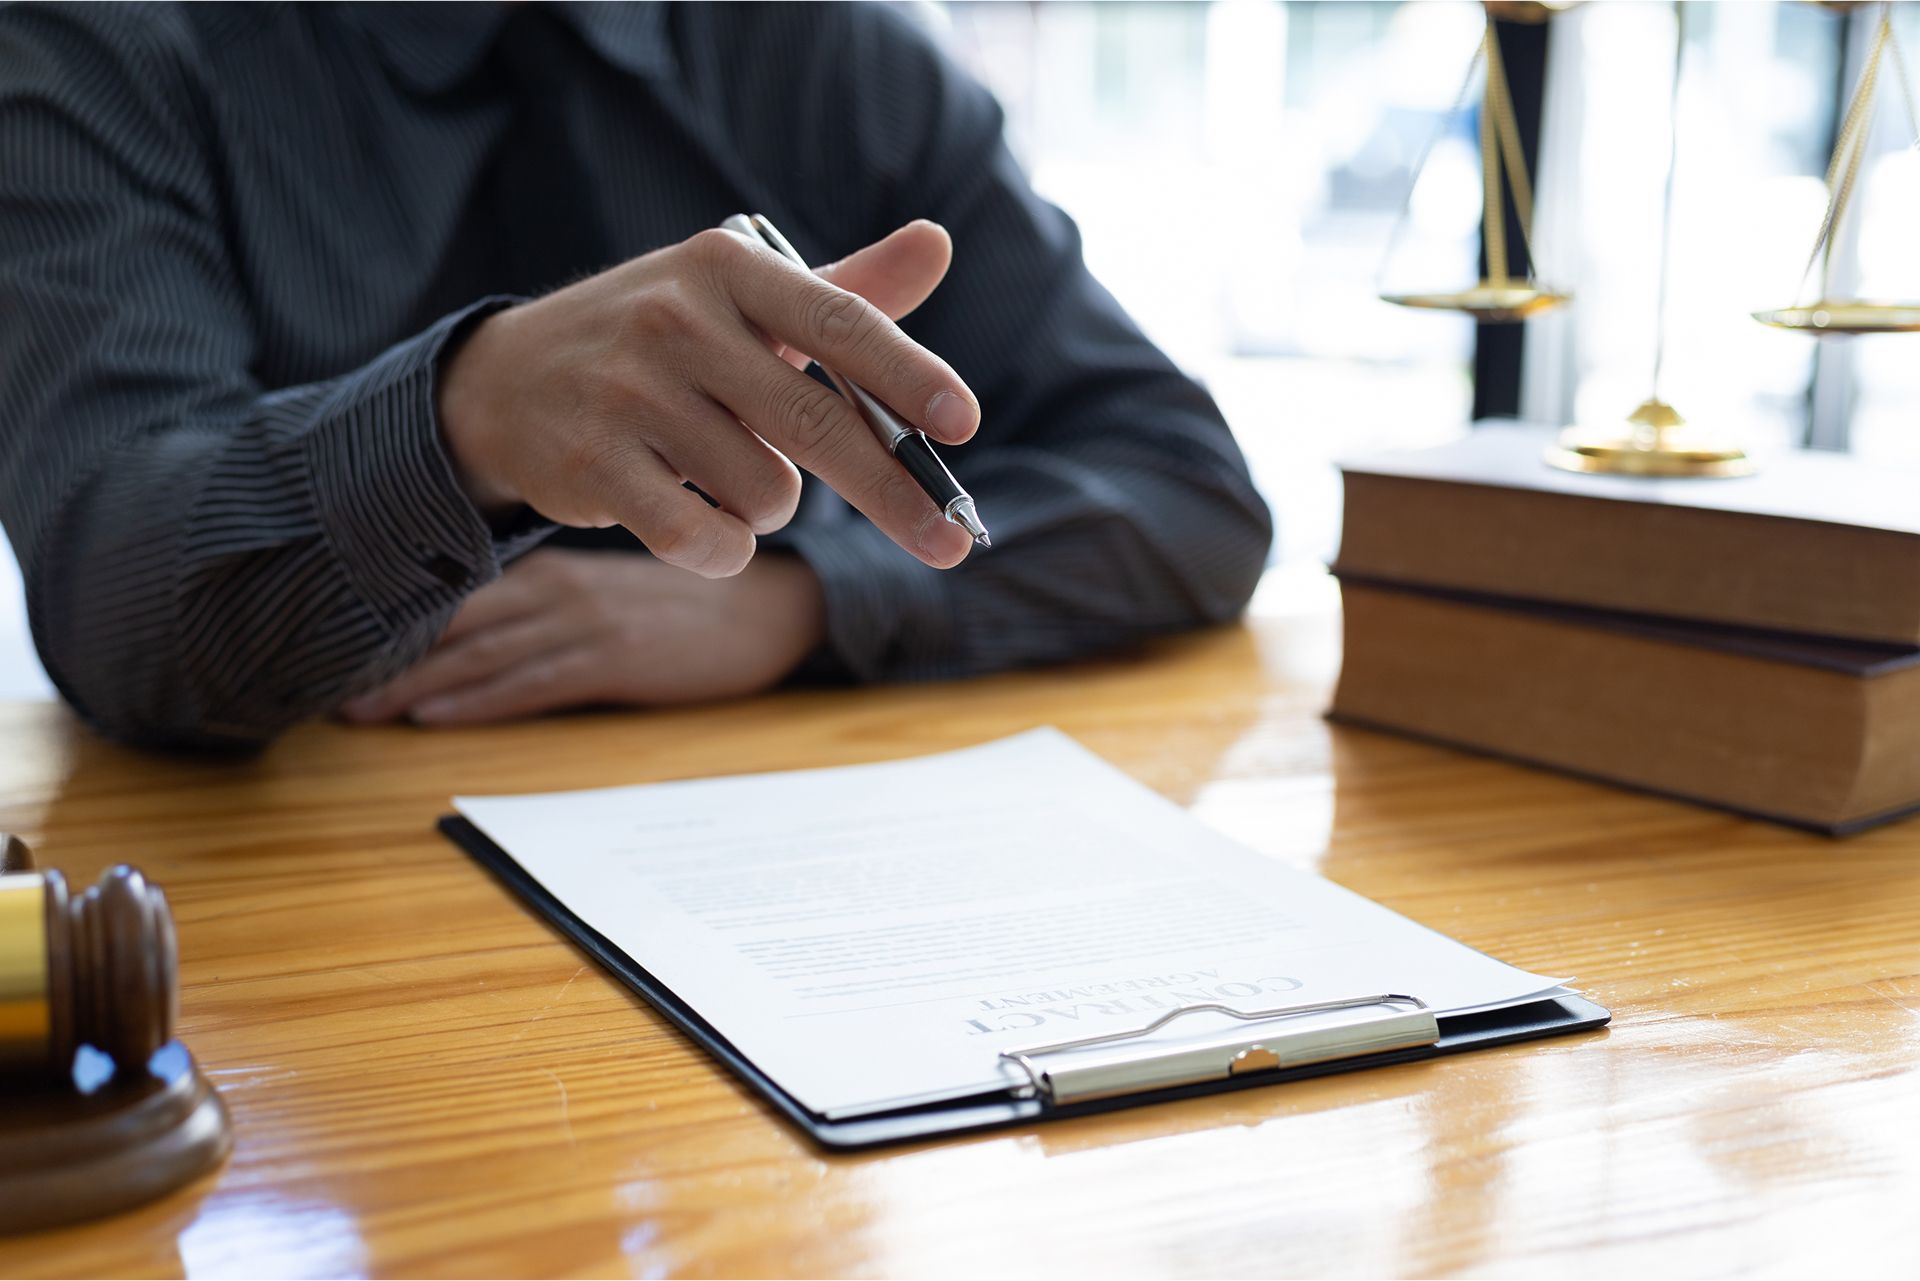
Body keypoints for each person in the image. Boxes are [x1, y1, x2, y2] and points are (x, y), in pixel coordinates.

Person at [0, 2, 1271, 749]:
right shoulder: (97, 47)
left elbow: (1187, 490)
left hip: (791, 875)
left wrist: (803, 606)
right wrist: (466, 420)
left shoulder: (826, 50)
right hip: (318, 926)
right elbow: (109, 589)